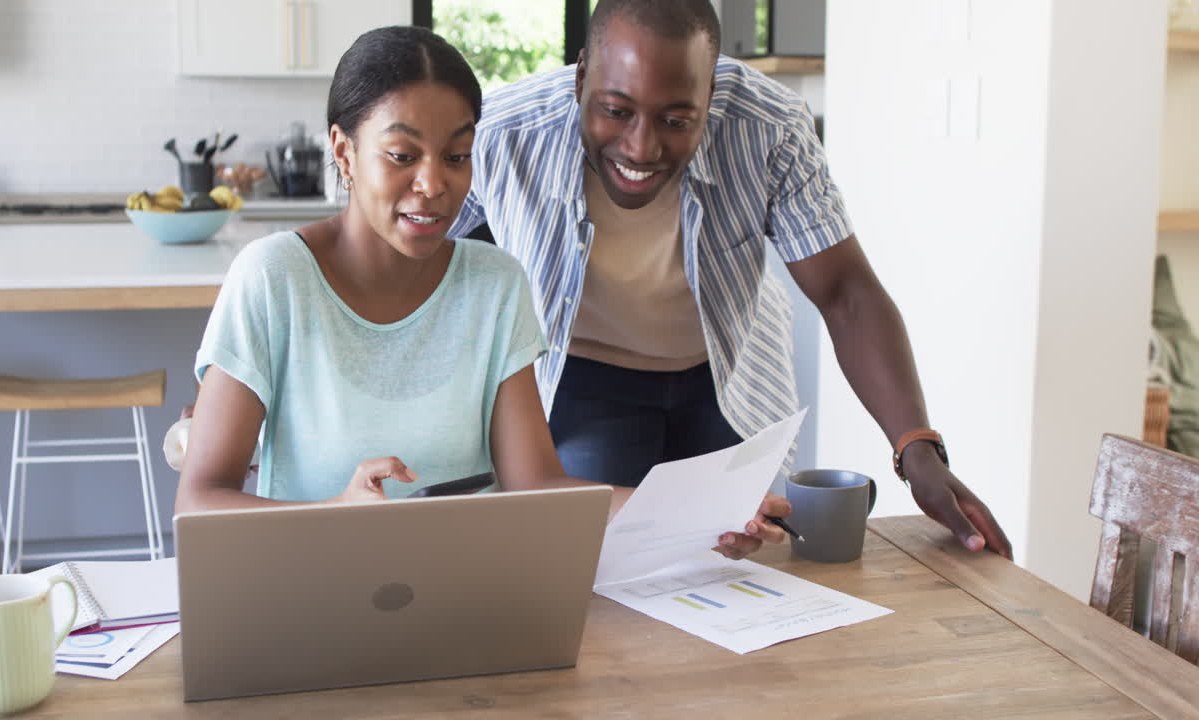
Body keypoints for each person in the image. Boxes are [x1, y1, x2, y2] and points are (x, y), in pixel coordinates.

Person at [174, 25, 789, 560]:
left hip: (471, 604)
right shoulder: (272, 279)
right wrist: (336, 513)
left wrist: (706, 512)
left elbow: (538, 489)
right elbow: (198, 505)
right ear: (344, 151)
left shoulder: (494, 284)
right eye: (401, 154)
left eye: (457, 156)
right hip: (309, 605)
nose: (434, 183)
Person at [447, 0, 1012, 558]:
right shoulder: (505, 132)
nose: (640, 147)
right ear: (579, 78)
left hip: (727, 382)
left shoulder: (769, 128)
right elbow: (410, 249)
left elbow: (845, 293)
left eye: (675, 120)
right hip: (584, 382)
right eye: (616, 111)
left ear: (710, 97)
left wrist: (916, 448)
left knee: (733, 568)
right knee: (603, 576)